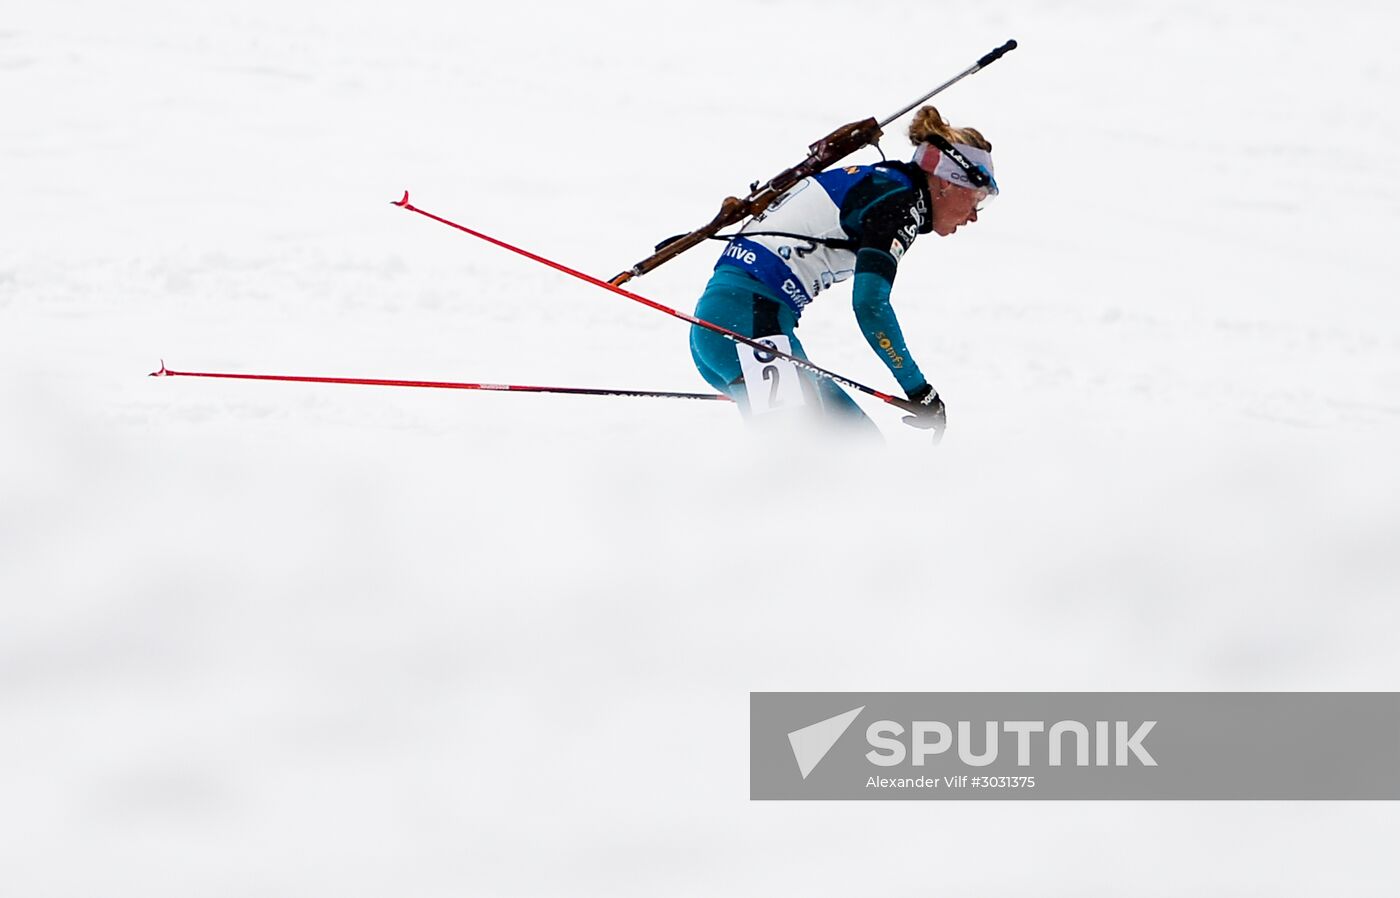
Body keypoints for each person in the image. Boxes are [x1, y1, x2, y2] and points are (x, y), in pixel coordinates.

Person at [688, 105, 997, 436]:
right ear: (948, 182)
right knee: (814, 463)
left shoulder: (883, 184)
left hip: (732, 324)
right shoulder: (897, 201)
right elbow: (870, 305)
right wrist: (917, 387)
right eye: (978, 196)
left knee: (858, 452)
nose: (975, 215)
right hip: (750, 323)